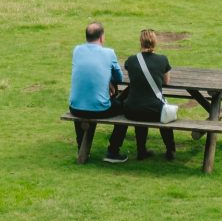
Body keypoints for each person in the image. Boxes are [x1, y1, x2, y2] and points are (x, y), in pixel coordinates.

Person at [108, 29, 173, 161]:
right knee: (166, 112)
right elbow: (166, 81)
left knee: (140, 107)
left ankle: (141, 150)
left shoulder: (131, 60)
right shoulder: (162, 59)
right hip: (155, 110)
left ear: (140, 42)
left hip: (132, 110)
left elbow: (130, 72)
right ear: (155, 42)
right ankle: (170, 150)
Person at [68, 23, 127, 165]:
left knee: (84, 102)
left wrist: (105, 81)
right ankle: (113, 150)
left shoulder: (77, 50)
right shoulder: (109, 53)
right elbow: (119, 78)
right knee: (125, 110)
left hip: (75, 107)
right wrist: (109, 80)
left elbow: (88, 71)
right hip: (100, 109)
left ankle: (81, 148)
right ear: (102, 37)